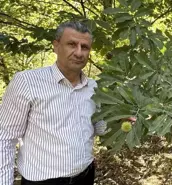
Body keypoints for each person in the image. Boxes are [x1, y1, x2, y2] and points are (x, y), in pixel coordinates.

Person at [0, 21, 106, 185]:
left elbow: (98, 127)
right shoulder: (27, 82)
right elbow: (5, 139)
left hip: (85, 176)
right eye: (72, 44)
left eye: (84, 47)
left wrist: (121, 120)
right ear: (56, 46)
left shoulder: (93, 87)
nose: (79, 52)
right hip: (44, 181)